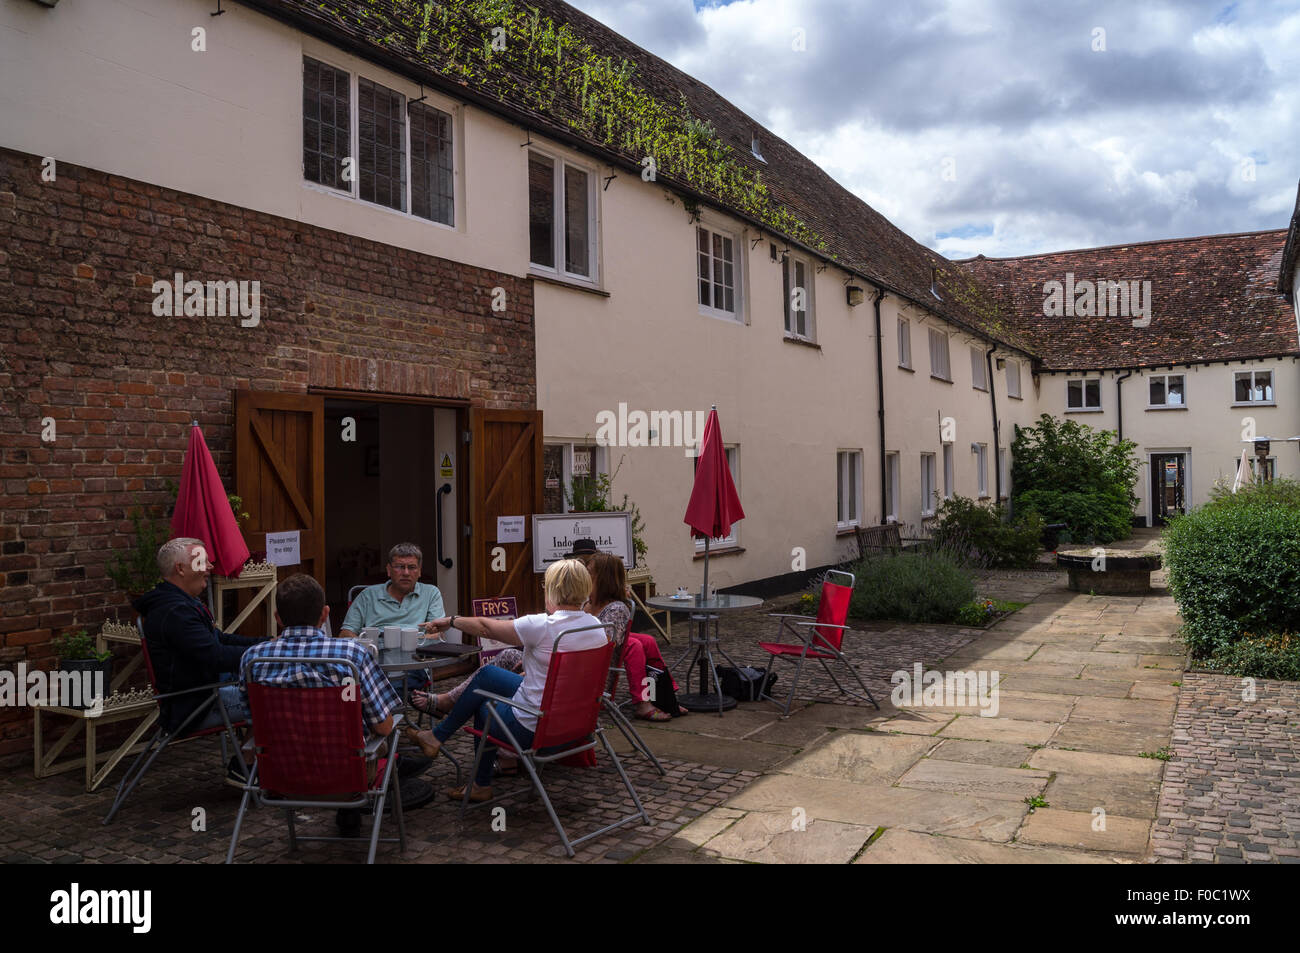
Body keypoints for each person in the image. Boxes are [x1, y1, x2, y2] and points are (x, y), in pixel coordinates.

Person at [404, 559, 608, 803]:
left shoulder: (542, 625)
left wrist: (451, 621)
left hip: (537, 729)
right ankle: (438, 733)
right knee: (488, 675)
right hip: (575, 725)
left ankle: (478, 782)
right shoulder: (596, 625)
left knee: (484, 706)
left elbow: (485, 628)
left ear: (552, 588)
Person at [240, 573, 403, 836]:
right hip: (347, 780)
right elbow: (383, 727)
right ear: (325, 614)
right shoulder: (351, 655)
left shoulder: (253, 659)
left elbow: (253, 722)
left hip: (281, 779)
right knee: (385, 736)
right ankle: (353, 812)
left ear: (278, 618)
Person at [134, 538, 266, 781]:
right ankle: (244, 767)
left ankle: (255, 763)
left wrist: (266, 644)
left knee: (262, 683)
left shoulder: (179, 603)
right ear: (180, 569)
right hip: (195, 705)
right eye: (201, 562)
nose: (209, 567)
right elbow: (215, 656)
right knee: (273, 694)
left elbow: (219, 640)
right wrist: (265, 655)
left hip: (201, 693)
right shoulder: (176, 612)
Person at [584, 552, 682, 721]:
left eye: (589, 573)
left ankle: (667, 697)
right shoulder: (584, 599)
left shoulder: (612, 606)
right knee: (634, 646)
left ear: (603, 579)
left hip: (604, 640)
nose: (584, 576)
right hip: (593, 649)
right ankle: (642, 701)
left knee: (648, 641)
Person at [339, 542, 445, 638]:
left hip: (419, 655)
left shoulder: (431, 593)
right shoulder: (367, 595)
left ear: (419, 571)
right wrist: (367, 649)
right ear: (389, 570)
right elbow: (345, 634)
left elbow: (438, 635)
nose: (406, 573)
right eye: (399, 567)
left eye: (412, 567)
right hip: (375, 654)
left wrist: (405, 641)